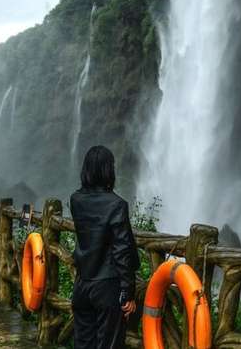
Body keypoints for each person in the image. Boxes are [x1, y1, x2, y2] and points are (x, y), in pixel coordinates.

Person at [70, 145, 139, 349]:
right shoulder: (117, 205)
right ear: (109, 170)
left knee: (83, 344)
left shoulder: (76, 200)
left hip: (82, 284)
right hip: (107, 286)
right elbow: (121, 250)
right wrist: (128, 293)